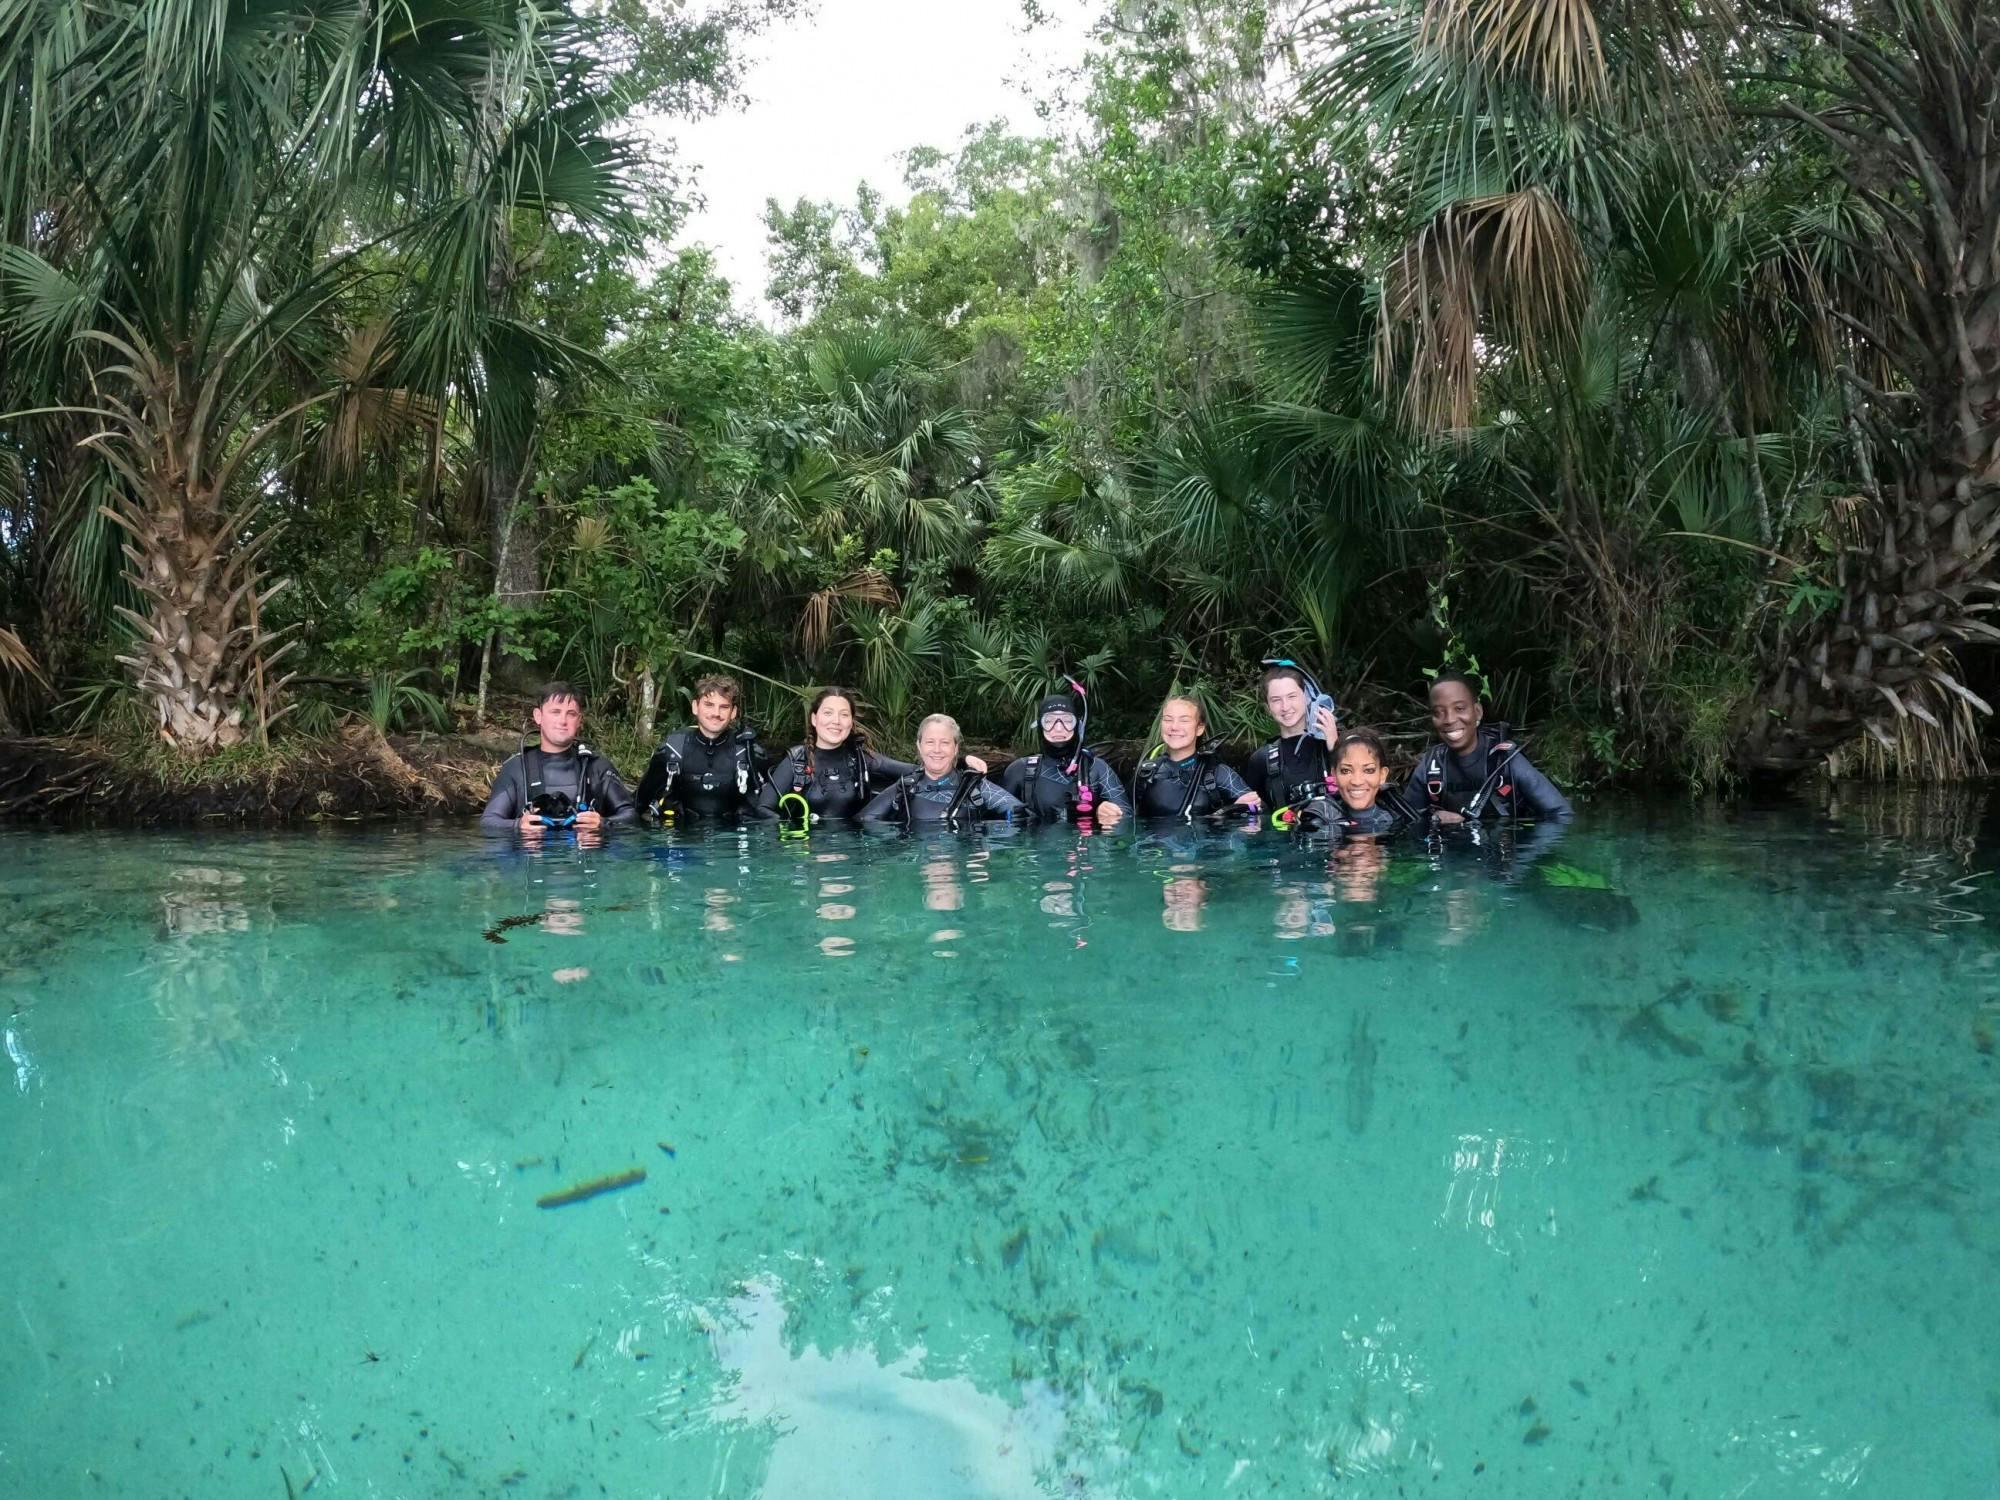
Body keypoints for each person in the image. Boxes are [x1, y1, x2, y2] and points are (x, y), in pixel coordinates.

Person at [757, 687, 986, 826]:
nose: (836, 721)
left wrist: (962, 759)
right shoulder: (797, 760)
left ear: (851, 722)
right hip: (806, 854)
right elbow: (764, 808)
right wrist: (792, 838)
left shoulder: (861, 759)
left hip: (854, 854)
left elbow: (920, 768)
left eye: (844, 715)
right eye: (828, 713)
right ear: (814, 719)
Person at [1404, 671, 1573, 823]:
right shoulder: (1431, 766)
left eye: (1460, 708)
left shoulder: (1505, 759)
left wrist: (1523, 855)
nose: (1449, 719)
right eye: (1439, 712)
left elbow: (1561, 814)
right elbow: (1404, 821)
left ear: (1477, 711)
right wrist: (1432, 820)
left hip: (1506, 852)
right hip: (1450, 855)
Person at [480, 682, 636, 832]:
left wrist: (603, 824)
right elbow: (489, 821)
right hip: (532, 856)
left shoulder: (597, 767)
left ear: (579, 721)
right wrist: (518, 826)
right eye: (555, 712)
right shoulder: (516, 768)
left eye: (571, 714)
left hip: (586, 856)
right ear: (538, 716)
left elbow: (631, 816)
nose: (563, 721)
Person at [633, 674, 773, 821]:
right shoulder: (673, 750)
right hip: (681, 838)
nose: (716, 713)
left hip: (733, 838)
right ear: (695, 707)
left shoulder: (749, 753)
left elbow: (775, 810)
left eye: (724, 707)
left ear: (733, 712)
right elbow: (637, 804)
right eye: (709, 705)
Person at [859, 713, 1026, 825]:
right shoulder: (905, 788)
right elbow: (864, 820)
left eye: (945, 743)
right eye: (930, 742)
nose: (937, 750)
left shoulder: (973, 787)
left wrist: (985, 843)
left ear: (955, 748)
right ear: (919, 746)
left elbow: (1018, 813)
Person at [999, 688, 1130, 827]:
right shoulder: (1019, 770)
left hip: (1086, 846)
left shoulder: (1096, 767)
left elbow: (1128, 816)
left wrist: (1102, 812)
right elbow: (996, 820)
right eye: (1049, 721)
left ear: (1078, 726)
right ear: (1039, 726)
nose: (1059, 728)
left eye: (1067, 720)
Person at [1132, 695, 1261, 819]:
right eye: (1168, 719)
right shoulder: (1146, 773)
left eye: (1184, 720)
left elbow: (1260, 812)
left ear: (1200, 728)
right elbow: (1125, 816)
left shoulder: (1216, 773)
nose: (1174, 727)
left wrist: (1239, 809)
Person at [1244, 660, 1341, 815]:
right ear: (1267, 708)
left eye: (1292, 696)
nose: (1285, 707)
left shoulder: (1336, 745)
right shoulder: (1260, 760)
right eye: (1276, 700)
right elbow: (1252, 816)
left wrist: (1336, 749)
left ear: (1308, 697)